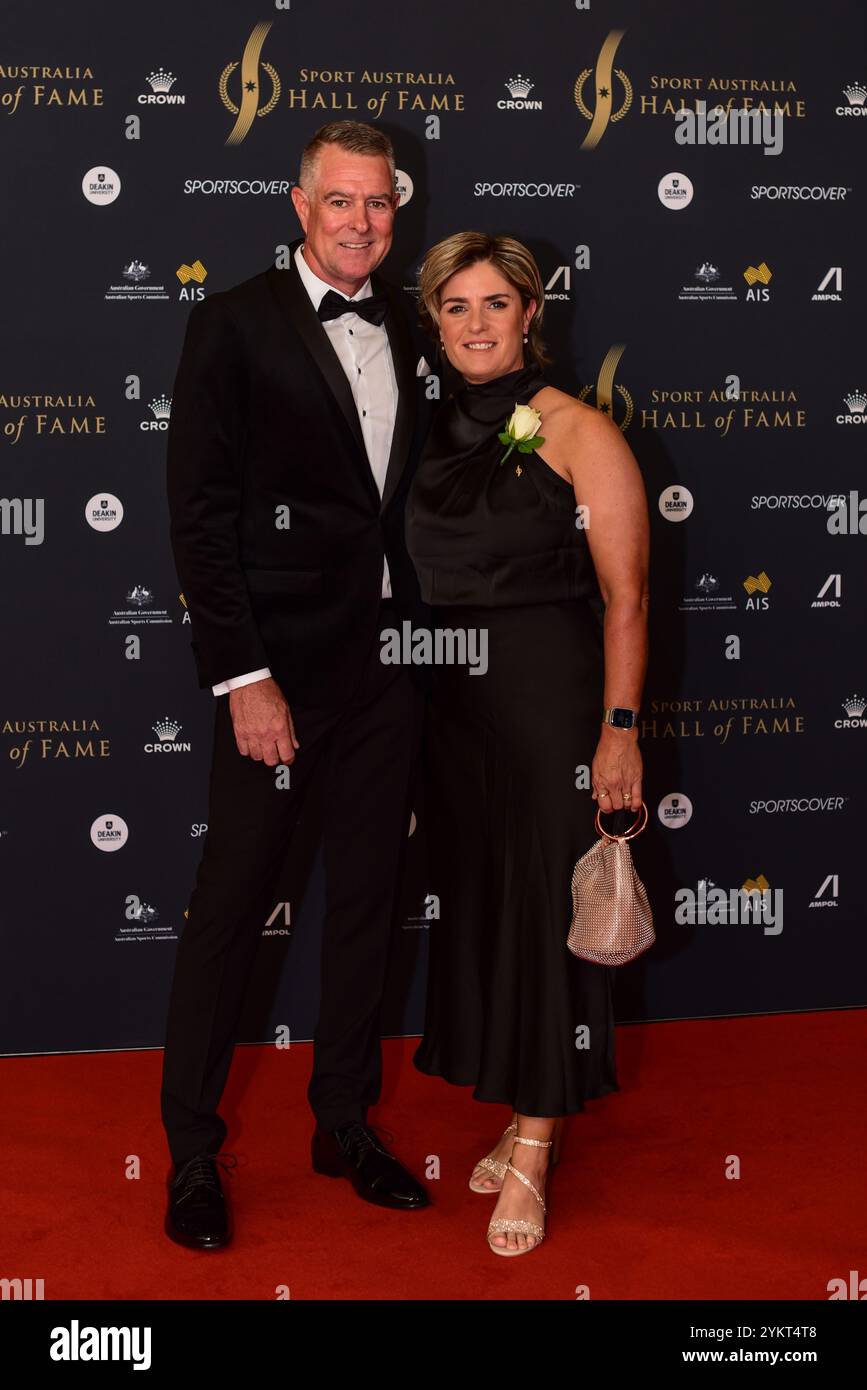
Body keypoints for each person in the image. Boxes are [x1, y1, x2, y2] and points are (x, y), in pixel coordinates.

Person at [161, 120, 436, 1249]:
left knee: (368, 903)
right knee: (231, 908)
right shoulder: (232, 323)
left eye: (379, 203)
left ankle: (342, 1123)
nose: (363, 223)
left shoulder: (418, 324)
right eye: (341, 202)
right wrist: (244, 678)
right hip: (278, 675)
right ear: (299, 204)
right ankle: (187, 1153)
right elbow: (200, 518)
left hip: (392, 676)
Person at [405, 232, 650, 1257]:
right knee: (492, 909)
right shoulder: (423, 432)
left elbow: (627, 598)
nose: (475, 324)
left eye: (494, 305)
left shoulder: (576, 429)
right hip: (450, 713)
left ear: (529, 314)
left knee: (550, 907)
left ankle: (539, 1143)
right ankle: (516, 1108)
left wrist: (620, 730)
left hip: (550, 701)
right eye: (455, 307)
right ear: (433, 320)